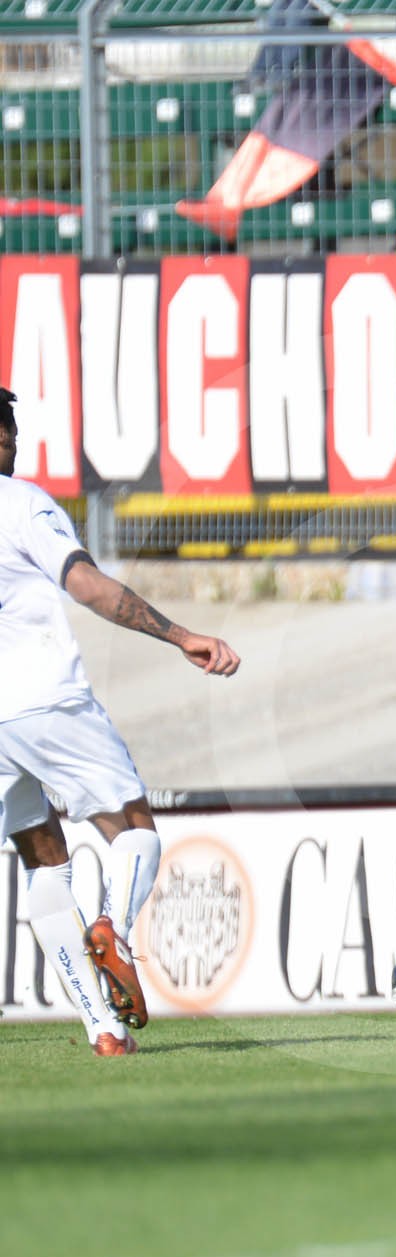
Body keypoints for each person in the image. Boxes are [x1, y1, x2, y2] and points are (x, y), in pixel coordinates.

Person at [0, 386, 242, 1056]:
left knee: (40, 855)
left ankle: (102, 1029)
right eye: (9, 430)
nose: (13, 442)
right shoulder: (21, 503)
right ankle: (117, 930)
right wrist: (180, 635)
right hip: (45, 700)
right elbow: (88, 585)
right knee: (134, 828)